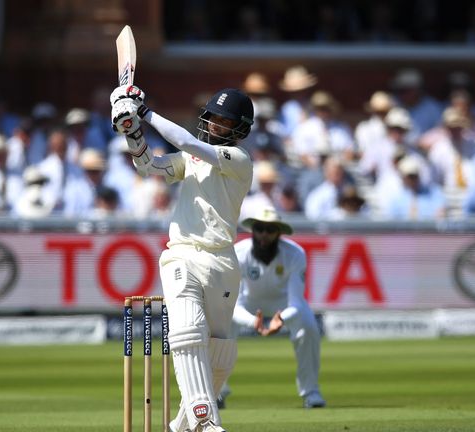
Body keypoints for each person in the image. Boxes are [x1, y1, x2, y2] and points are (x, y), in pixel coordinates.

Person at [110, 84, 254, 432]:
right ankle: (206, 423)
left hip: (222, 261)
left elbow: (189, 143)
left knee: (221, 353)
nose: (215, 124)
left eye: (224, 121)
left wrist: (144, 112)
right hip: (182, 255)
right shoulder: (192, 161)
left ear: (239, 129)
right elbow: (150, 167)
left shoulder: (239, 160)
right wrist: (132, 132)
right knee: (188, 331)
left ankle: (180, 426)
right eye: (213, 117)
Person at [218, 206, 325, 409]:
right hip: (248, 302)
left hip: (283, 303)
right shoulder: (239, 253)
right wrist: (253, 321)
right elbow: (233, 303)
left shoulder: (295, 254)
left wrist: (281, 319)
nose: (264, 235)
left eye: (270, 230)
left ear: (279, 232)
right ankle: (218, 390)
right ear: (253, 230)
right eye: (259, 229)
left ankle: (311, 392)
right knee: (221, 324)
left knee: (309, 327)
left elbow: (295, 302)